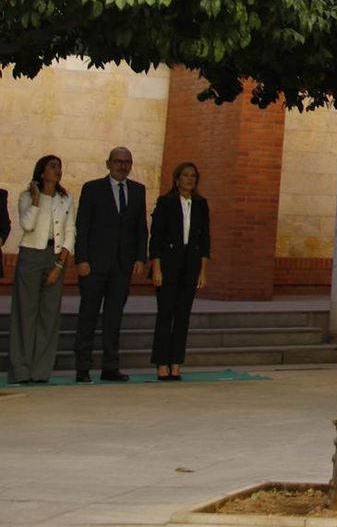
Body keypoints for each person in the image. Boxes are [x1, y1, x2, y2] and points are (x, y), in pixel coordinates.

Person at [73, 146, 148, 383]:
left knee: (114, 318)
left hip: (122, 266)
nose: (122, 166)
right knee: (88, 316)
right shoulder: (92, 189)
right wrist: (81, 259)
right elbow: (82, 226)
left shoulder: (138, 190)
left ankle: (110, 367)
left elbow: (141, 229)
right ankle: (83, 368)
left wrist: (140, 258)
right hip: (94, 265)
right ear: (108, 164)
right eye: (118, 161)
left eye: (127, 162)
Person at [6, 156, 74, 384]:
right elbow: (27, 225)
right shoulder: (26, 196)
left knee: (49, 314)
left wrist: (60, 264)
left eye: (59, 167)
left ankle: (40, 371)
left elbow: (70, 231)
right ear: (42, 172)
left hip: (55, 256)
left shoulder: (66, 198)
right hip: (31, 255)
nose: (58, 170)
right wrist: (36, 200)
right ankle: (21, 371)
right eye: (52, 166)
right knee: (25, 314)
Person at [149, 161, 211, 380]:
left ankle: (176, 362)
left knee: (183, 316)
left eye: (193, 175)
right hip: (168, 265)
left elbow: (205, 241)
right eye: (185, 175)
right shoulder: (166, 202)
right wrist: (156, 268)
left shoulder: (201, 204)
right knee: (165, 314)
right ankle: (161, 363)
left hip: (190, 266)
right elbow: (156, 238)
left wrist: (203, 271)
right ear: (177, 180)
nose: (189, 179)